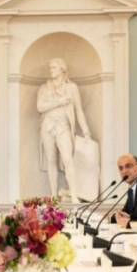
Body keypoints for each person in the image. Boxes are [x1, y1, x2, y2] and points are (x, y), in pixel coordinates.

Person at [37, 58, 91, 203]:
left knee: (68, 160)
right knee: (51, 160)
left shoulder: (72, 87)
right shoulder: (44, 87)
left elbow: (79, 110)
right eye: (50, 67)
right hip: (48, 127)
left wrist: (85, 130)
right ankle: (54, 196)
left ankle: (73, 195)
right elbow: (40, 107)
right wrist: (58, 102)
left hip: (63, 127)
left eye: (54, 67)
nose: (51, 70)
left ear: (62, 69)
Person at [113, 154, 137, 224]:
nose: (124, 171)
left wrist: (123, 217)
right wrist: (113, 217)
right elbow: (126, 211)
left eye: (128, 166)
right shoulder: (132, 187)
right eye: (121, 168)